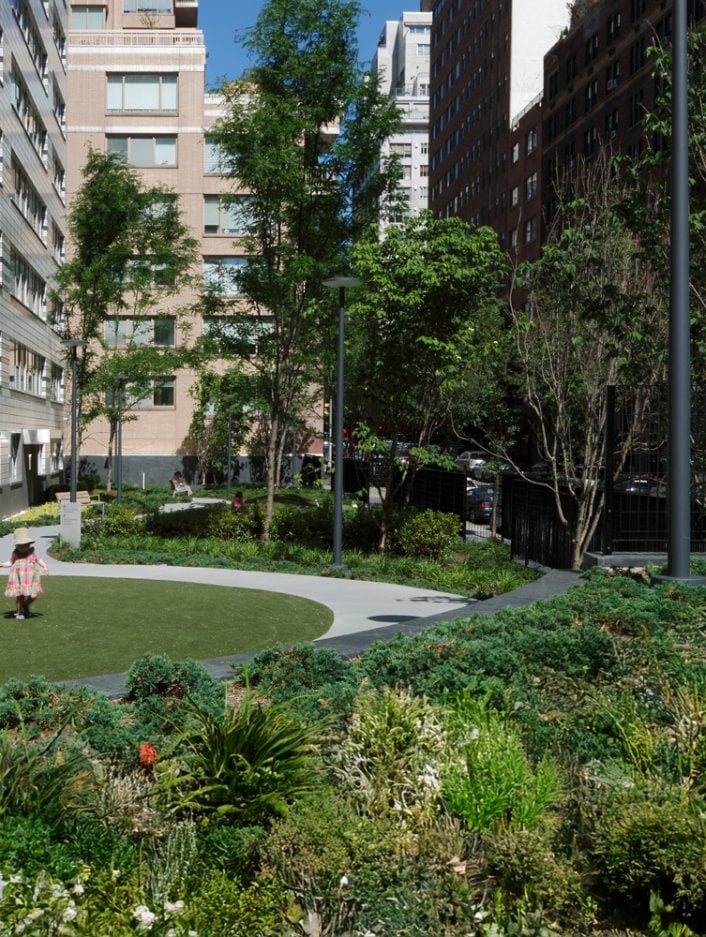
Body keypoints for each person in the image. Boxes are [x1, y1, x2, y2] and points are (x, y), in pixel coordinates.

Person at [2, 528, 48, 620]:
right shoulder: (15, 553)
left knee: (33, 595)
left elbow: (38, 559)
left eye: (25, 545)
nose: (22, 548)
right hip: (19, 578)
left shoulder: (32, 551)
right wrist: (2, 564)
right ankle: (19, 612)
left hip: (31, 578)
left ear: (29, 544)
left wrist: (44, 566)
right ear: (16, 545)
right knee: (20, 597)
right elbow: (11, 562)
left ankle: (25, 605)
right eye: (20, 546)